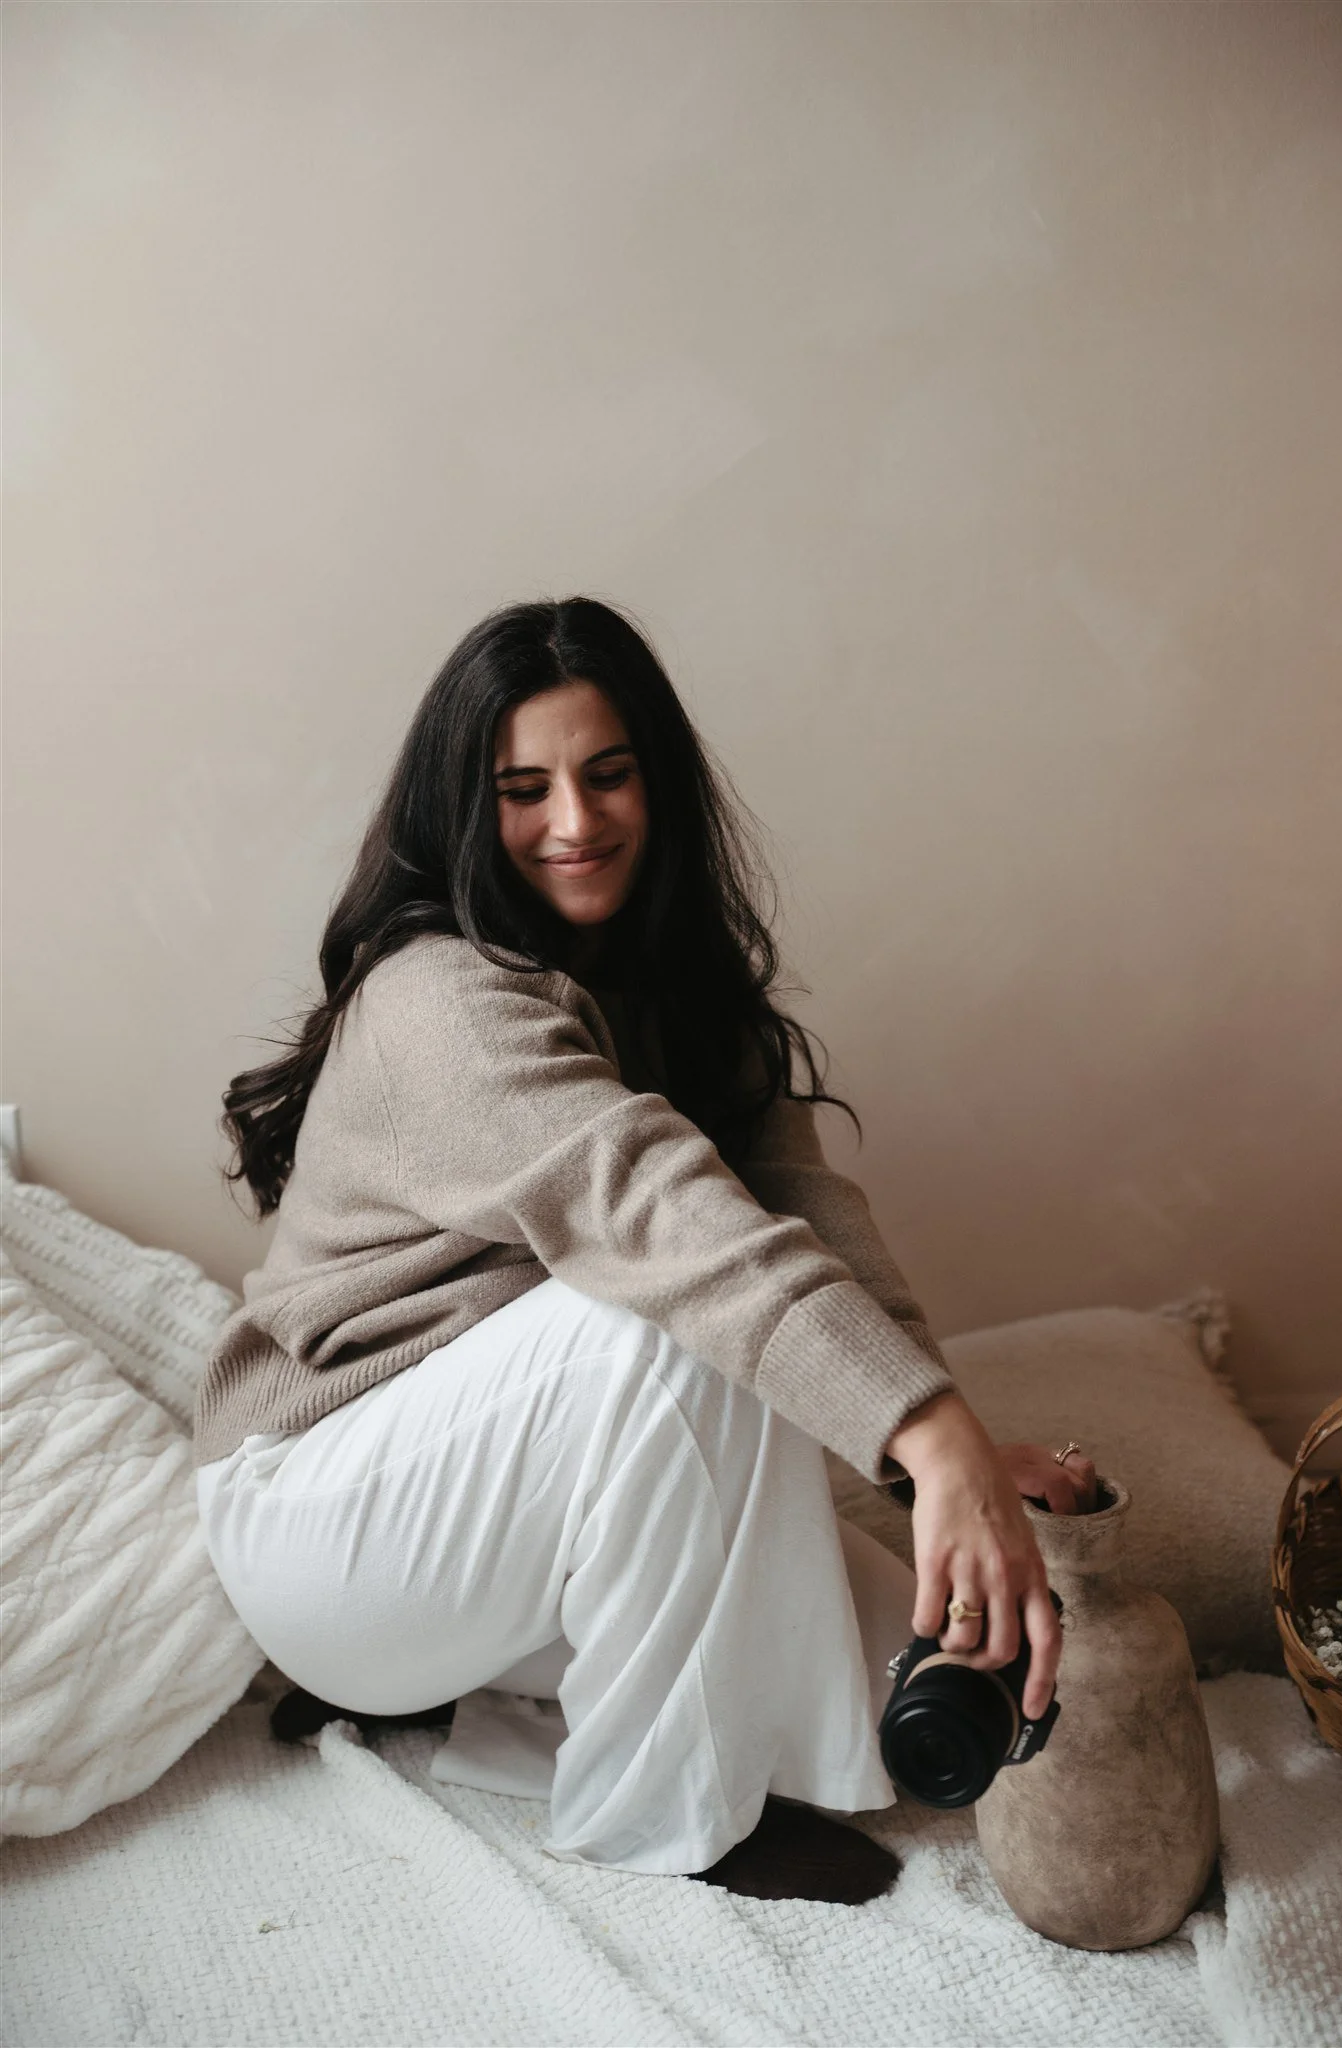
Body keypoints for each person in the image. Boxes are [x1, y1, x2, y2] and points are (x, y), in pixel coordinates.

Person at [193, 596, 1097, 1906]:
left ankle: (479, 1712)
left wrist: (937, 1454)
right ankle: (654, 1820)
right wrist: (929, 1436)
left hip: (498, 1519)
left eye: (608, 773)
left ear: (658, 781)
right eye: (524, 789)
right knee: (660, 1313)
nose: (575, 820)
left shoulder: (690, 995)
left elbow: (809, 1225)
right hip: (330, 1524)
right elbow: (658, 1220)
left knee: (914, 1699)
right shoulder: (435, 996)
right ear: (466, 807)